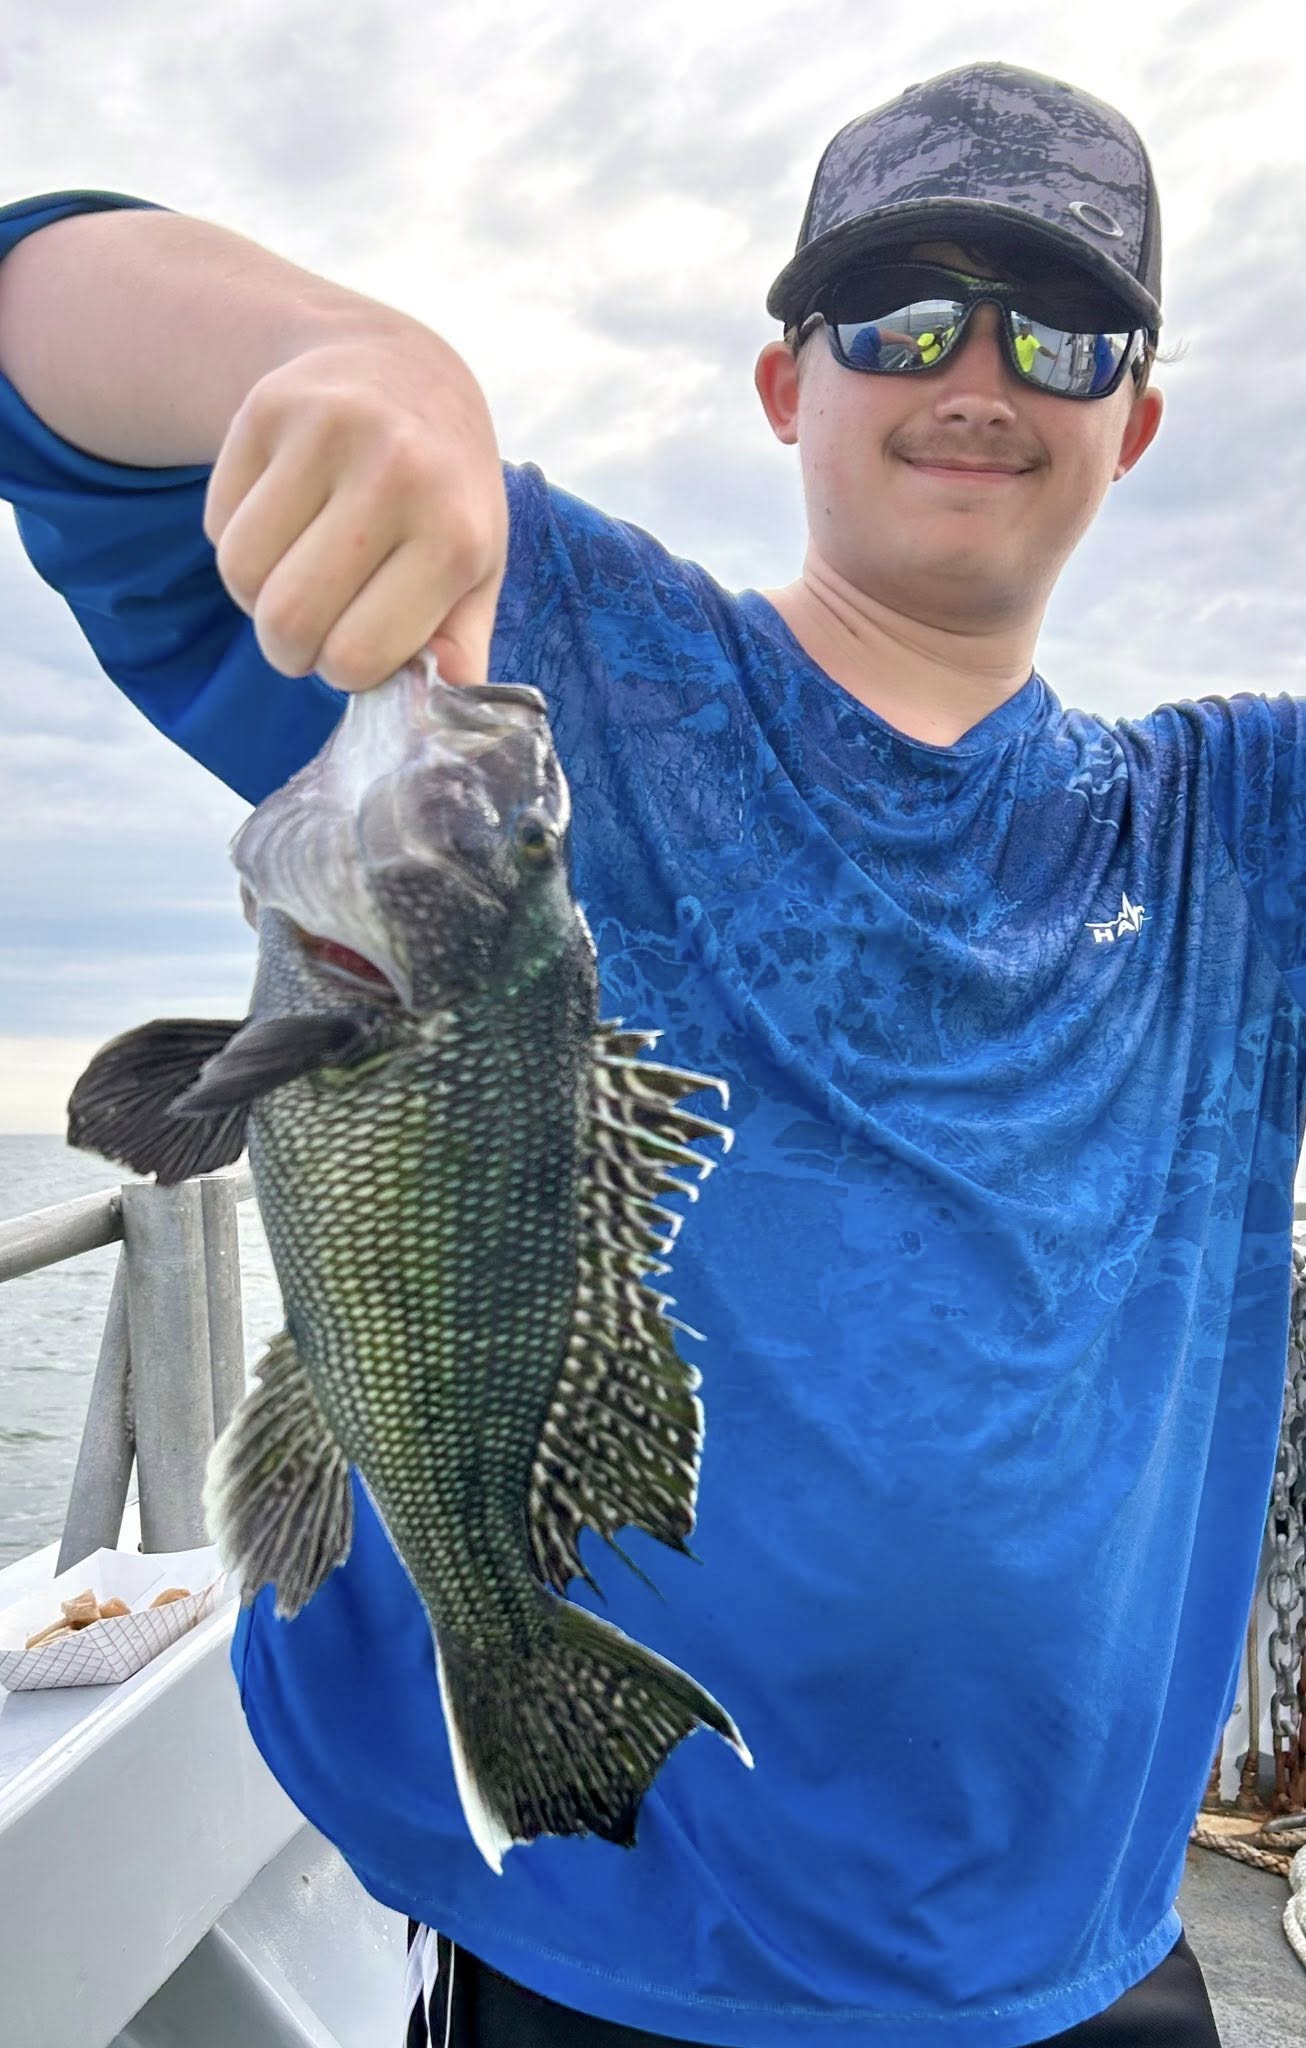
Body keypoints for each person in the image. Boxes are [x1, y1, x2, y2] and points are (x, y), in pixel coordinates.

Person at [0, 54, 1286, 2048]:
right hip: (602, 1936)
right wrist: (348, 359)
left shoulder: (1231, 833)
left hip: (1069, 1954)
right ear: (784, 382)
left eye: (1060, 329)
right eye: (897, 314)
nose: (976, 371)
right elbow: (36, 319)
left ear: (1133, 420)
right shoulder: (533, 650)